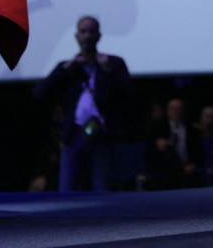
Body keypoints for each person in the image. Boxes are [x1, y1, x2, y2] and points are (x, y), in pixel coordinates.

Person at [32, 15, 137, 191]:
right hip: (73, 134)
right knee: (67, 189)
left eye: (91, 31)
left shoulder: (113, 64)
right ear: (77, 36)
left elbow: (130, 95)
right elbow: (39, 93)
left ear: (99, 35)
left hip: (103, 133)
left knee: (101, 188)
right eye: (83, 31)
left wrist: (108, 71)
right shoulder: (68, 67)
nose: (87, 36)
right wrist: (65, 70)